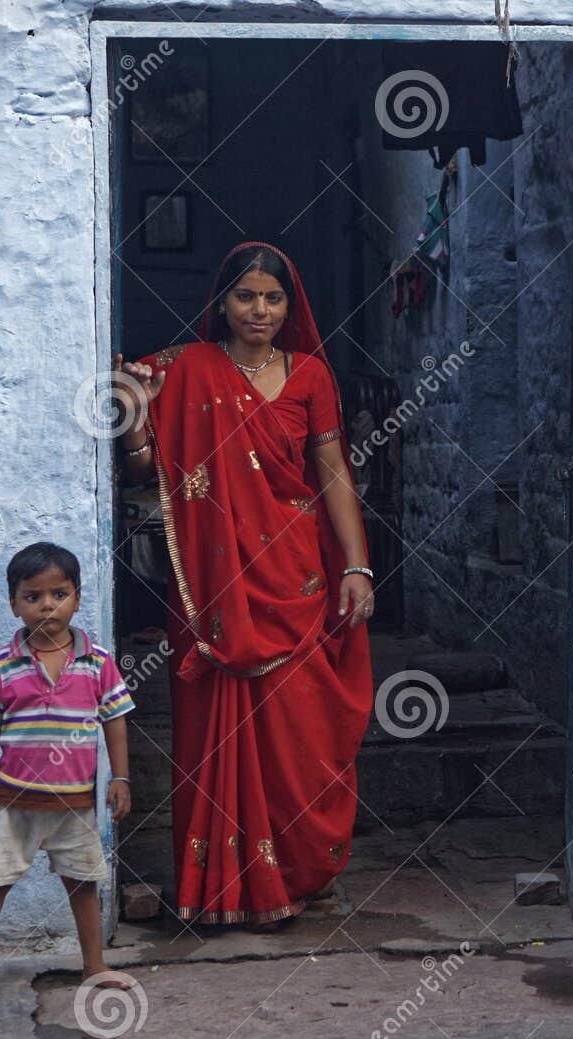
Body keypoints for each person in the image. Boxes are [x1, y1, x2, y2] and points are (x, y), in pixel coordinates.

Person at [112, 242, 373, 930]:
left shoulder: (311, 376)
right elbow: (142, 462)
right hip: (218, 591)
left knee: (305, 733)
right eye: (246, 296)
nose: (260, 311)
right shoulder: (188, 371)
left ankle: (300, 870)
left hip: (299, 578)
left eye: (274, 298)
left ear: (291, 306)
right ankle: (225, 887)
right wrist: (134, 411)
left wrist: (356, 564)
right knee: (220, 734)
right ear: (221, 301)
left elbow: (333, 472)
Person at [0, 543, 135, 995]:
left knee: (84, 884)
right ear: (14, 605)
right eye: (33, 596)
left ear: (77, 597)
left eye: (59, 593)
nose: (47, 605)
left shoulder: (98, 662)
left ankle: (94, 966)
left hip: (75, 801)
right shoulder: (3, 664)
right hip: (14, 801)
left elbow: (115, 719)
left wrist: (121, 777)